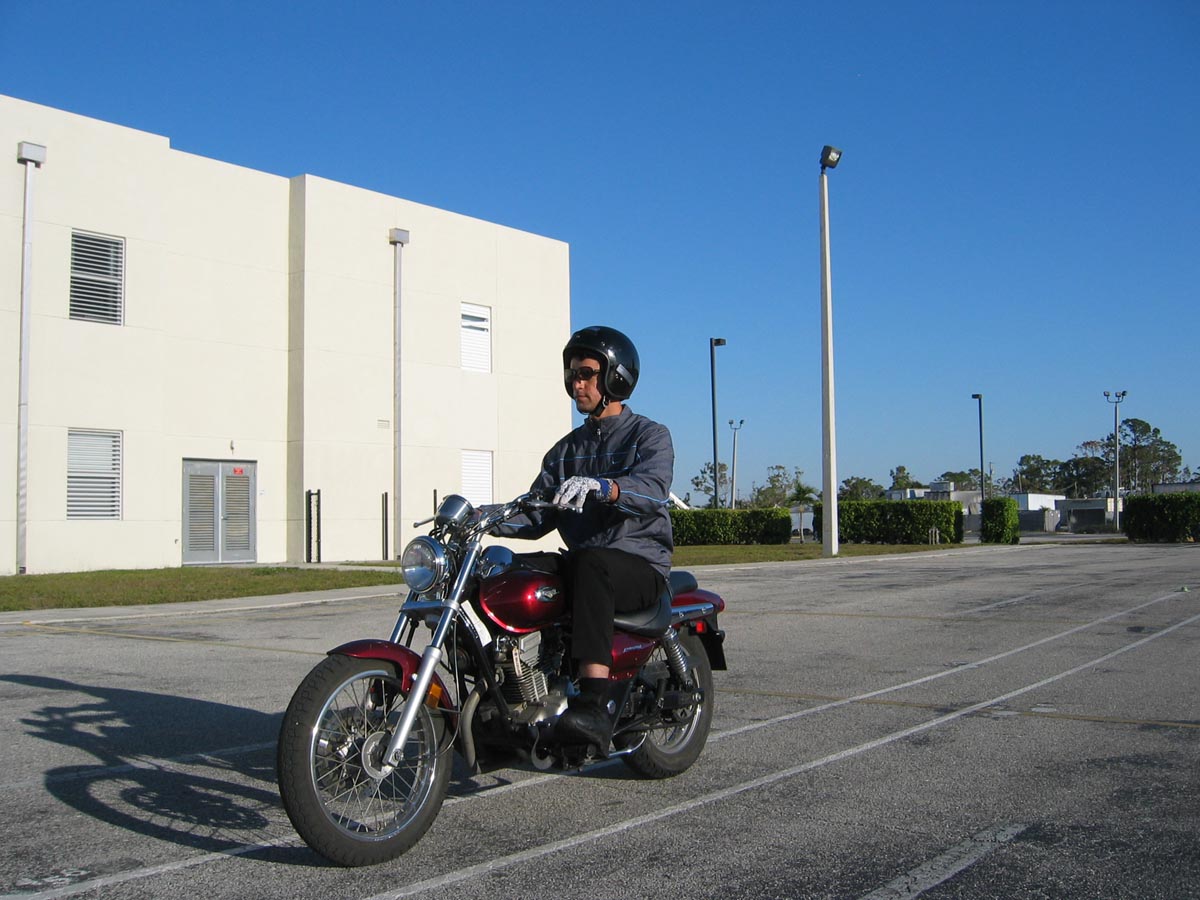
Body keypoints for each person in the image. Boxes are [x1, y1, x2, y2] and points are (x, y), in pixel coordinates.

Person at [494, 325, 674, 749]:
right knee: (504, 571)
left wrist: (606, 488)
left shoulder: (649, 436)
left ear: (616, 377)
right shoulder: (563, 452)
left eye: (587, 374)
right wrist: (483, 517)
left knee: (592, 563)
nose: (577, 384)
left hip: (639, 563)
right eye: (572, 374)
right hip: (586, 562)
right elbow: (537, 513)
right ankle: (504, 688)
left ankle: (594, 704)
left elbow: (653, 490)